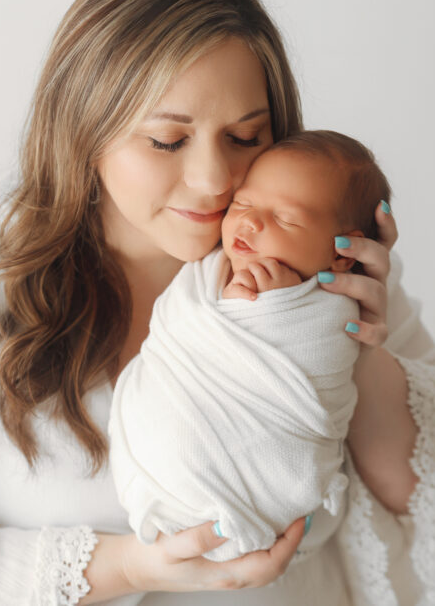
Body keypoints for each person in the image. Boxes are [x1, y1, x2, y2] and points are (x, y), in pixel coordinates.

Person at [0, 0, 435, 606]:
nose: (212, 182)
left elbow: (434, 488)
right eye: (167, 141)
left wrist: (353, 343)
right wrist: (134, 567)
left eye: (244, 137)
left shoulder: (312, 257)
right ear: (84, 130)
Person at [108, 131, 394, 564]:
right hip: (155, 476)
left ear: (341, 255)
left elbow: (411, 489)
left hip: (261, 485)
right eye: (242, 203)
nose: (249, 222)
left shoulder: (335, 309)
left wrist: (272, 312)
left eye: (285, 219)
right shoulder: (208, 272)